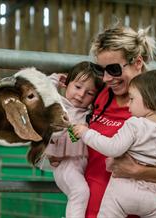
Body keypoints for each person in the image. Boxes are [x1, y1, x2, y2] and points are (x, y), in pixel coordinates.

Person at [80, 22, 156, 218]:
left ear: (137, 62)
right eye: (100, 70)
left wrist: (137, 171)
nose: (106, 78)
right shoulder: (100, 96)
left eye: (113, 69)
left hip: (132, 210)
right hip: (91, 209)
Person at [72, 70, 156, 217]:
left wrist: (86, 133)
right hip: (154, 199)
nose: (128, 104)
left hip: (123, 193)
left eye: (132, 99)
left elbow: (112, 148)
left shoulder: (134, 125)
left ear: (150, 102)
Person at [38, 61, 104, 218]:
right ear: (66, 84)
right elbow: (41, 92)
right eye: (78, 87)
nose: (81, 95)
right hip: (65, 164)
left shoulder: (89, 113)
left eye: (90, 93)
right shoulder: (58, 105)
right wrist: (56, 79)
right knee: (80, 192)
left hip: (83, 165)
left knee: (86, 194)